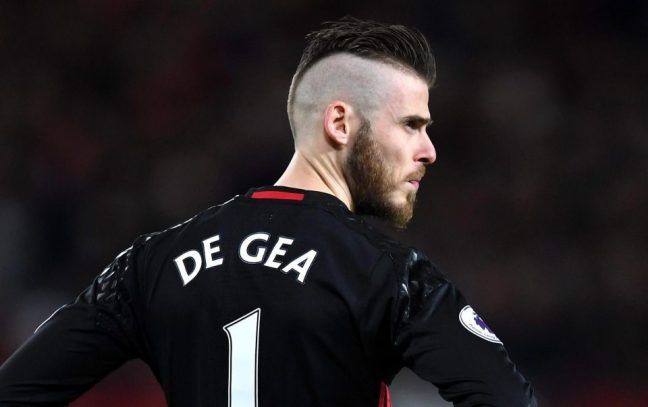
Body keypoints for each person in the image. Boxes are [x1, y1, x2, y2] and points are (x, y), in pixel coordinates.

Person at [0, 17, 536, 406]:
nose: (429, 151)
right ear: (341, 124)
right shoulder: (386, 275)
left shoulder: (149, 265)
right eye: (411, 125)